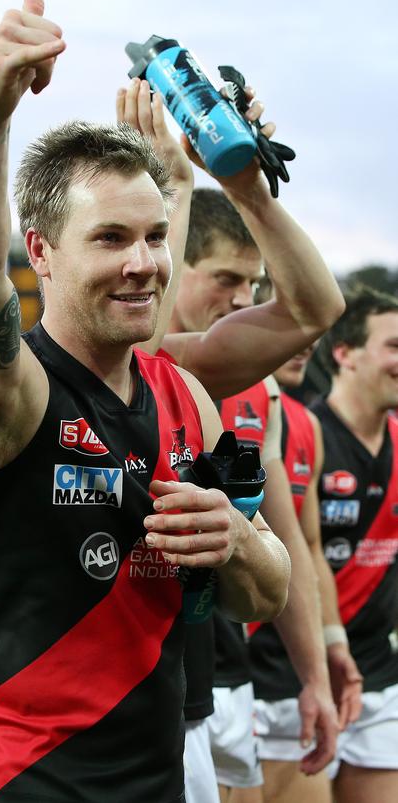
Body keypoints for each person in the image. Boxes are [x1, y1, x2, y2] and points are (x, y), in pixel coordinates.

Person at [0, 0, 291, 803]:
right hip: (23, 785)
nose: (144, 262)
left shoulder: (185, 400)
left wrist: (232, 536)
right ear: (42, 251)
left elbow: (266, 590)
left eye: (156, 235)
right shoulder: (11, 394)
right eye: (111, 237)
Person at [160, 188, 343, 803]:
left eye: (253, 282)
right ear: (169, 265)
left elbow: (287, 538)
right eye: (225, 278)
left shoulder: (256, 393)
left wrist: (312, 675)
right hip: (123, 686)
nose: (242, 297)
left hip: (226, 670)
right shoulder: (130, 364)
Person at [249, 344, 363, 803]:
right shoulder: (194, 393)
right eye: (285, 321)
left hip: (287, 671)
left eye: (310, 330)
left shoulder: (303, 423)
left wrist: (331, 643)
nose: (306, 342)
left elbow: (308, 546)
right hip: (222, 675)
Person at [306, 287, 398, 803]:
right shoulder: (305, 434)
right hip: (296, 680)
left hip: (378, 677)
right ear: (344, 353)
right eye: (394, 347)